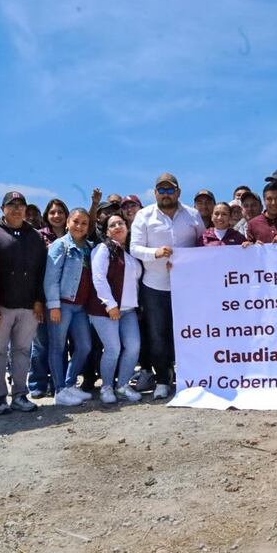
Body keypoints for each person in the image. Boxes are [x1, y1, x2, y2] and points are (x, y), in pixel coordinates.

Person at [130, 173, 206, 399]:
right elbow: (134, 248)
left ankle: (189, 376)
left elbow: (204, 244)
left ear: (178, 192)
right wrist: (156, 253)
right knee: (157, 335)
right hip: (155, 286)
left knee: (189, 333)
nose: (165, 194)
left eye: (169, 190)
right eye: (161, 190)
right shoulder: (144, 216)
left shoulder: (193, 215)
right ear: (155, 193)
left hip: (187, 287)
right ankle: (163, 379)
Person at [0, 191, 46, 415]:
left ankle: (20, 394)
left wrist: (39, 300)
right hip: (1, 306)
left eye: (20, 205)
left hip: (28, 306)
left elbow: (40, 272)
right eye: (11, 205)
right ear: (2, 209)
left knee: (22, 351)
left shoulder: (35, 236)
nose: (16, 209)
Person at [43, 209, 96, 407]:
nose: (80, 226)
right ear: (67, 222)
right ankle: (59, 390)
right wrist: (54, 305)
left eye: (84, 223)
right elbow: (51, 279)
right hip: (63, 304)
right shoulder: (60, 245)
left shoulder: (90, 248)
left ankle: (70, 383)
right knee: (58, 347)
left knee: (84, 346)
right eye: (76, 222)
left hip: (80, 307)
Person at [91, 214, 144, 404]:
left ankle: (122, 385)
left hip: (128, 310)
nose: (118, 226)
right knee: (112, 349)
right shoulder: (103, 249)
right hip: (106, 310)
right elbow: (98, 277)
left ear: (127, 228)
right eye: (113, 225)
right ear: (107, 231)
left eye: (121, 223)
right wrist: (110, 304)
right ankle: (106, 387)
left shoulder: (129, 253)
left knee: (133, 347)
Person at [30, 198, 69, 398]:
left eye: (60, 212)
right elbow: (35, 269)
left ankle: (58, 382)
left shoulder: (74, 236)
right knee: (40, 342)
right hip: (43, 297)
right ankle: (37, 382)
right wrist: (37, 300)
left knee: (59, 343)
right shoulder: (38, 237)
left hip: (67, 300)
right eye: (52, 212)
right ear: (46, 215)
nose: (56, 216)